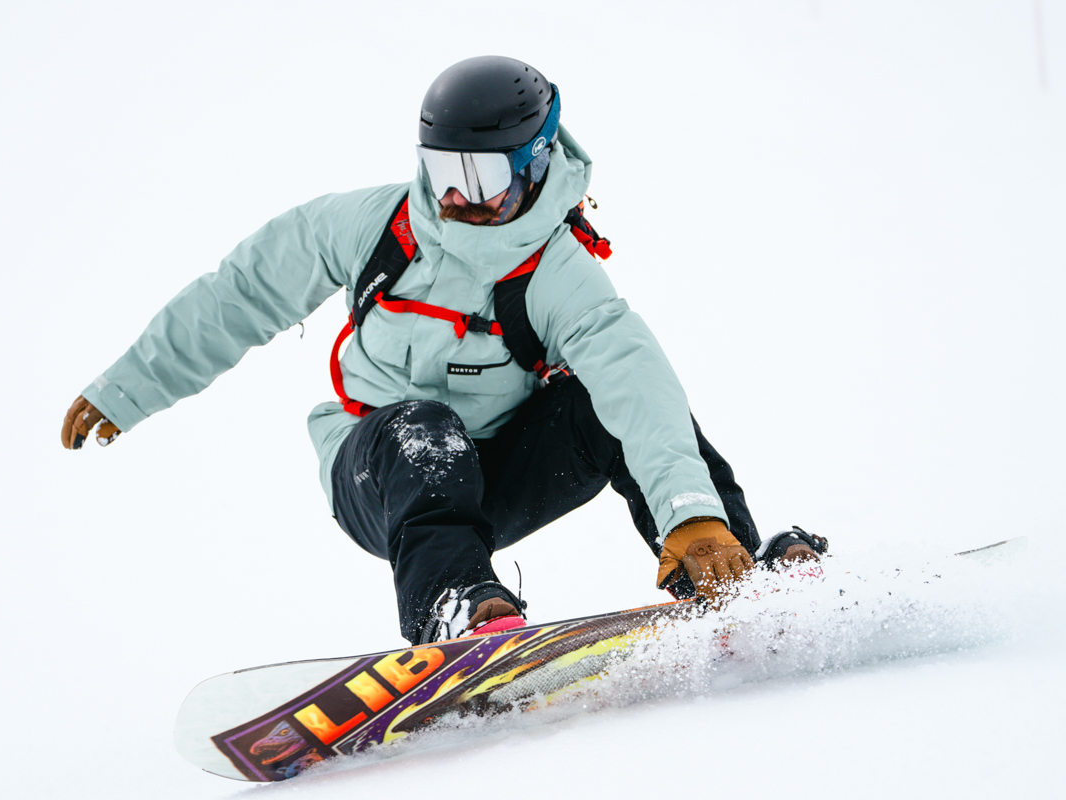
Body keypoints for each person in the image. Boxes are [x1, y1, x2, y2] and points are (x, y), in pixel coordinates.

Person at [61, 56, 822, 646]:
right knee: (424, 424)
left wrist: (689, 512)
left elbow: (636, 381)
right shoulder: (370, 225)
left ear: (532, 163)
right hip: (381, 473)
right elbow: (240, 294)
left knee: (607, 404)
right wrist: (129, 388)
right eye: (442, 169)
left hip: (503, 473)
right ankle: (456, 602)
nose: (457, 194)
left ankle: (723, 563)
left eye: (481, 174)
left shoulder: (559, 272)